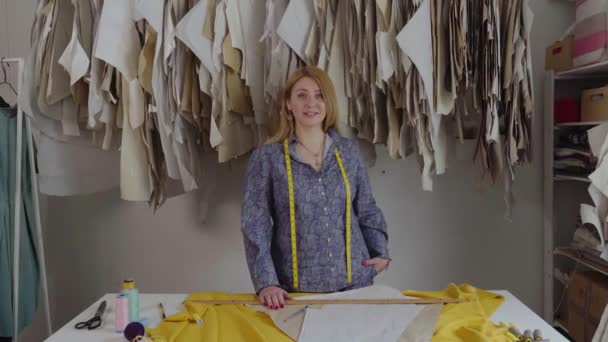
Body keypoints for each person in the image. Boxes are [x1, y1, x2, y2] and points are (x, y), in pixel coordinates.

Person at [241, 66, 390, 310]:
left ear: (328, 102)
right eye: (301, 95)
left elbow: (366, 208)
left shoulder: (348, 152)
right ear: (289, 103)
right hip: (295, 294)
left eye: (319, 95)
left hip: (356, 287)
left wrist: (381, 252)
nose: (311, 103)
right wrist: (266, 282)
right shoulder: (267, 159)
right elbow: (254, 223)